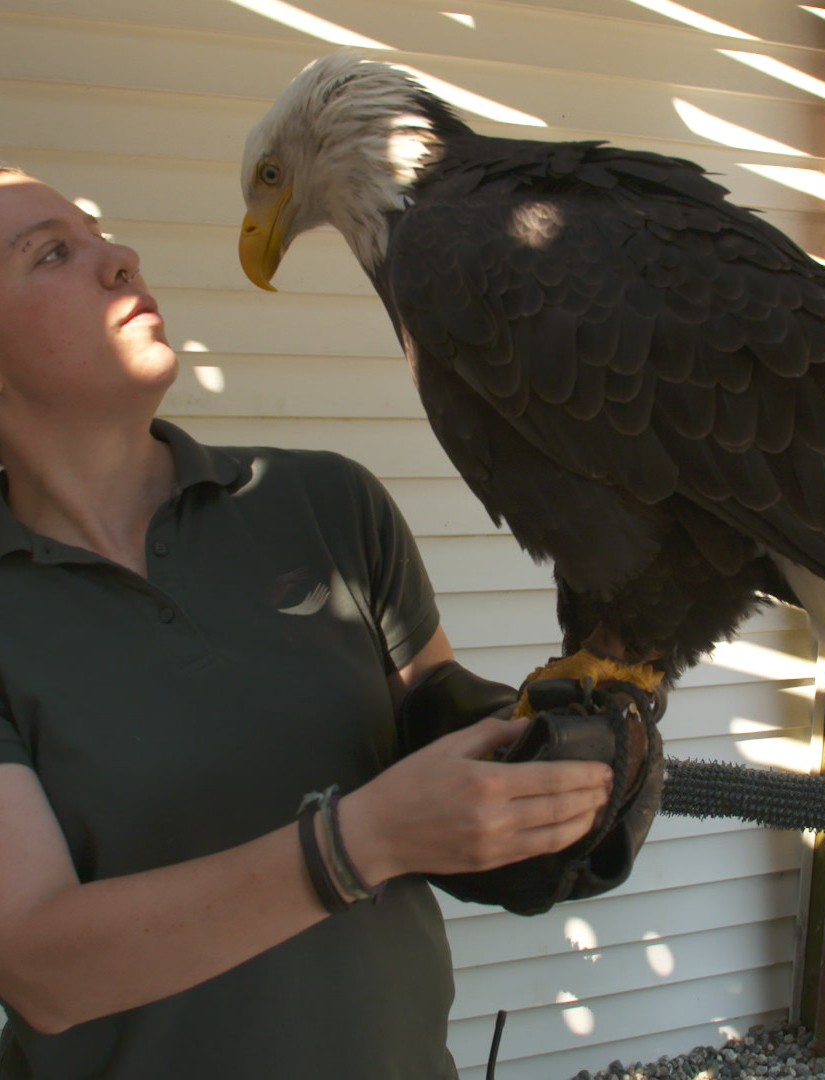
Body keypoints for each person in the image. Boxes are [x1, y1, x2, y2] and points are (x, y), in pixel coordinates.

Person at [0, 166, 613, 1079]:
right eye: (51, 253)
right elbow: (39, 966)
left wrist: (545, 757)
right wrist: (358, 844)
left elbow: (432, 709)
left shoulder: (323, 502)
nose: (120, 257)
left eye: (99, 234)